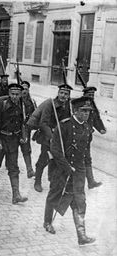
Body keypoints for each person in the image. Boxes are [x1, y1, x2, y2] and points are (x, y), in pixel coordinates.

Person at [43, 96, 95, 246]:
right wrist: (67, 167)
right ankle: (47, 222)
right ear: (75, 111)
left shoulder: (86, 128)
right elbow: (55, 150)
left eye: (88, 111)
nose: (87, 114)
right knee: (54, 196)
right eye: (84, 111)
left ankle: (81, 235)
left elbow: (85, 152)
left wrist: (84, 171)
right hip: (61, 169)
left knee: (80, 202)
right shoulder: (64, 126)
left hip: (78, 172)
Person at [0, 83, 28, 204]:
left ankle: (16, 194)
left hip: (13, 141)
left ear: (20, 94)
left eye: (17, 94)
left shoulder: (22, 106)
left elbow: (23, 123)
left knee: (13, 167)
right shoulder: (1, 105)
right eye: (12, 94)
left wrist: (22, 136)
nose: (15, 97)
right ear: (9, 94)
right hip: (2, 139)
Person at [27, 84, 72, 192]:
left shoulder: (68, 106)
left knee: (59, 159)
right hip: (48, 137)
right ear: (58, 93)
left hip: (62, 137)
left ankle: (54, 180)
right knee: (44, 159)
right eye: (61, 93)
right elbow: (43, 123)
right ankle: (37, 181)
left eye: (66, 94)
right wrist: (52, 138)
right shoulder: (50, 104)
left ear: (69, 95)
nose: (63, 95)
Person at [82, 86, 105, 189]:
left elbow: (96, 119)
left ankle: (91, 182)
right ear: (84, 95)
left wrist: (101, 128)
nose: (91, 97)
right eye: (89, 95)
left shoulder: (93, 105)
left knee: (87, 158)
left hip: (87, 137)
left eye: (92, 95)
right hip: (77, 136)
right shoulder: (79, 104)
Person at [20, 81, 36, 178]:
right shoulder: (16, 100)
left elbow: (35, 114)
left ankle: (29, 169)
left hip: (26, 128)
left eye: (26, 89)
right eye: (22, 89)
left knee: (26, 148)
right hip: (15, 128)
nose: (24, 91)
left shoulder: (31, 102)